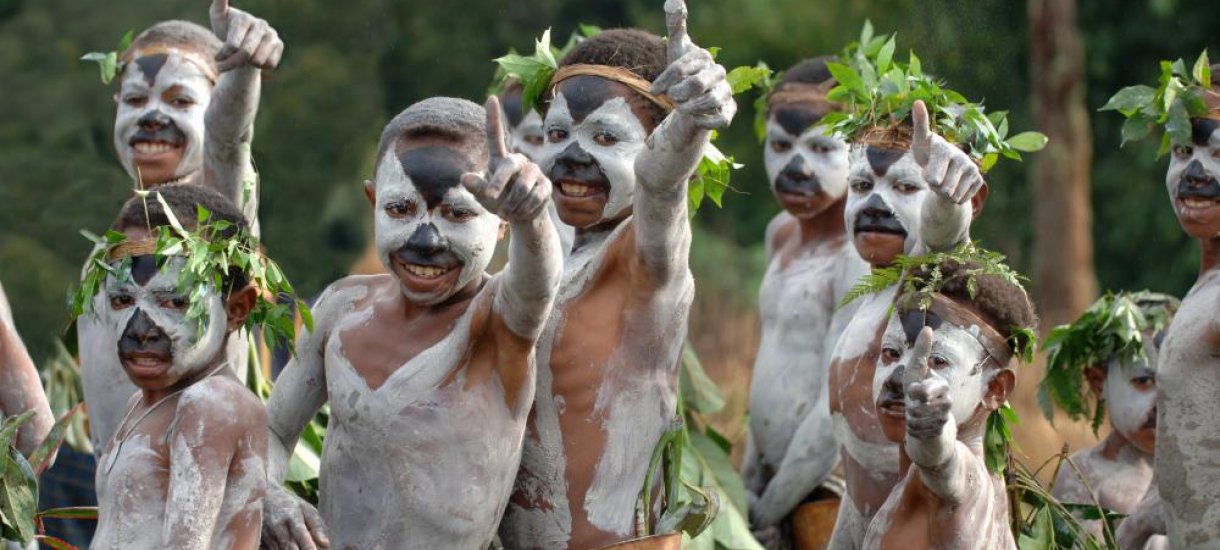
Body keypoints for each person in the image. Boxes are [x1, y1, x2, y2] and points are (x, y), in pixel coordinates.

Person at [260, 96, 563, 549]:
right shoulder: (341, 309)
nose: (425, 240)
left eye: (458, 214)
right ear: (373, 200)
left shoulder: (500, 322)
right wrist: (268, 495)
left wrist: (532, 219)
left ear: (499, 224)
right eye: (401, 209)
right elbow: (274, 431)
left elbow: (539, 282)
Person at [497, 1, 737, 547]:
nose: (571, 156)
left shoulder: (647, 264)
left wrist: (691, 123)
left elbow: (661, 184)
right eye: (557, 134)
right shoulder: (550, 263)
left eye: (606, 138)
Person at [80, 0, 283, 454]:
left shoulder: (214, 220)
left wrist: (244, 71)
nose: (152, 115)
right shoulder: (114, 244)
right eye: (135, 99)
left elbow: (228, 140)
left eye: (180, 100)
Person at [87, 184, 269, 549]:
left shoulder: (211, 403)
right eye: (122, 299)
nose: (139, 330)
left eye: (172, 302)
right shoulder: (141, 404)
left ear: (236, 309)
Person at [741, 56, 869, 548]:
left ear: (858, 153)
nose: (796, 167)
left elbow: (837, 405)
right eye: (780, 146)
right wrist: (749, 483)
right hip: (771, 485)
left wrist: (770, 507)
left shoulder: (858, 254)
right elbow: (770, 362)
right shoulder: (780, 235)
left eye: (821, 149)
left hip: (832, 488)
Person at [864, 260, 1035, 549]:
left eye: (937, 361)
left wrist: (931, 431)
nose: (901, 378)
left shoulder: (968, 483)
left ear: (994, 388)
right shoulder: (914, 480)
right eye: (892, 353)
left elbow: (940, 459)